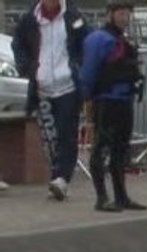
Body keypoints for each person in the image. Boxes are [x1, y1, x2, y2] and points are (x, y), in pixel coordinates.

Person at [12, 0, 88, 201]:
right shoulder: (30, 19)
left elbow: (86, 42)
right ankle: (56, 178)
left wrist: (78, 67)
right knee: (50, 138)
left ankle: (62, 179)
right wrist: (28, 67)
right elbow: (17, 42)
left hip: (67, 87)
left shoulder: (73, 16)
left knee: (67, 134)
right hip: (42, 87)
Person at [79, 0, 146, 212]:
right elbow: (88, 72)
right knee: (100, 148)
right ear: (110, 14)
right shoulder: (98, 39)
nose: (125, 18)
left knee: (120, 149)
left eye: (127, 15)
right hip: (106, 100)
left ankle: (121, 197)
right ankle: (102, 198)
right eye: (121, 14)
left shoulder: (121, 39)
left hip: (124, 100)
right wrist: (86, 97)